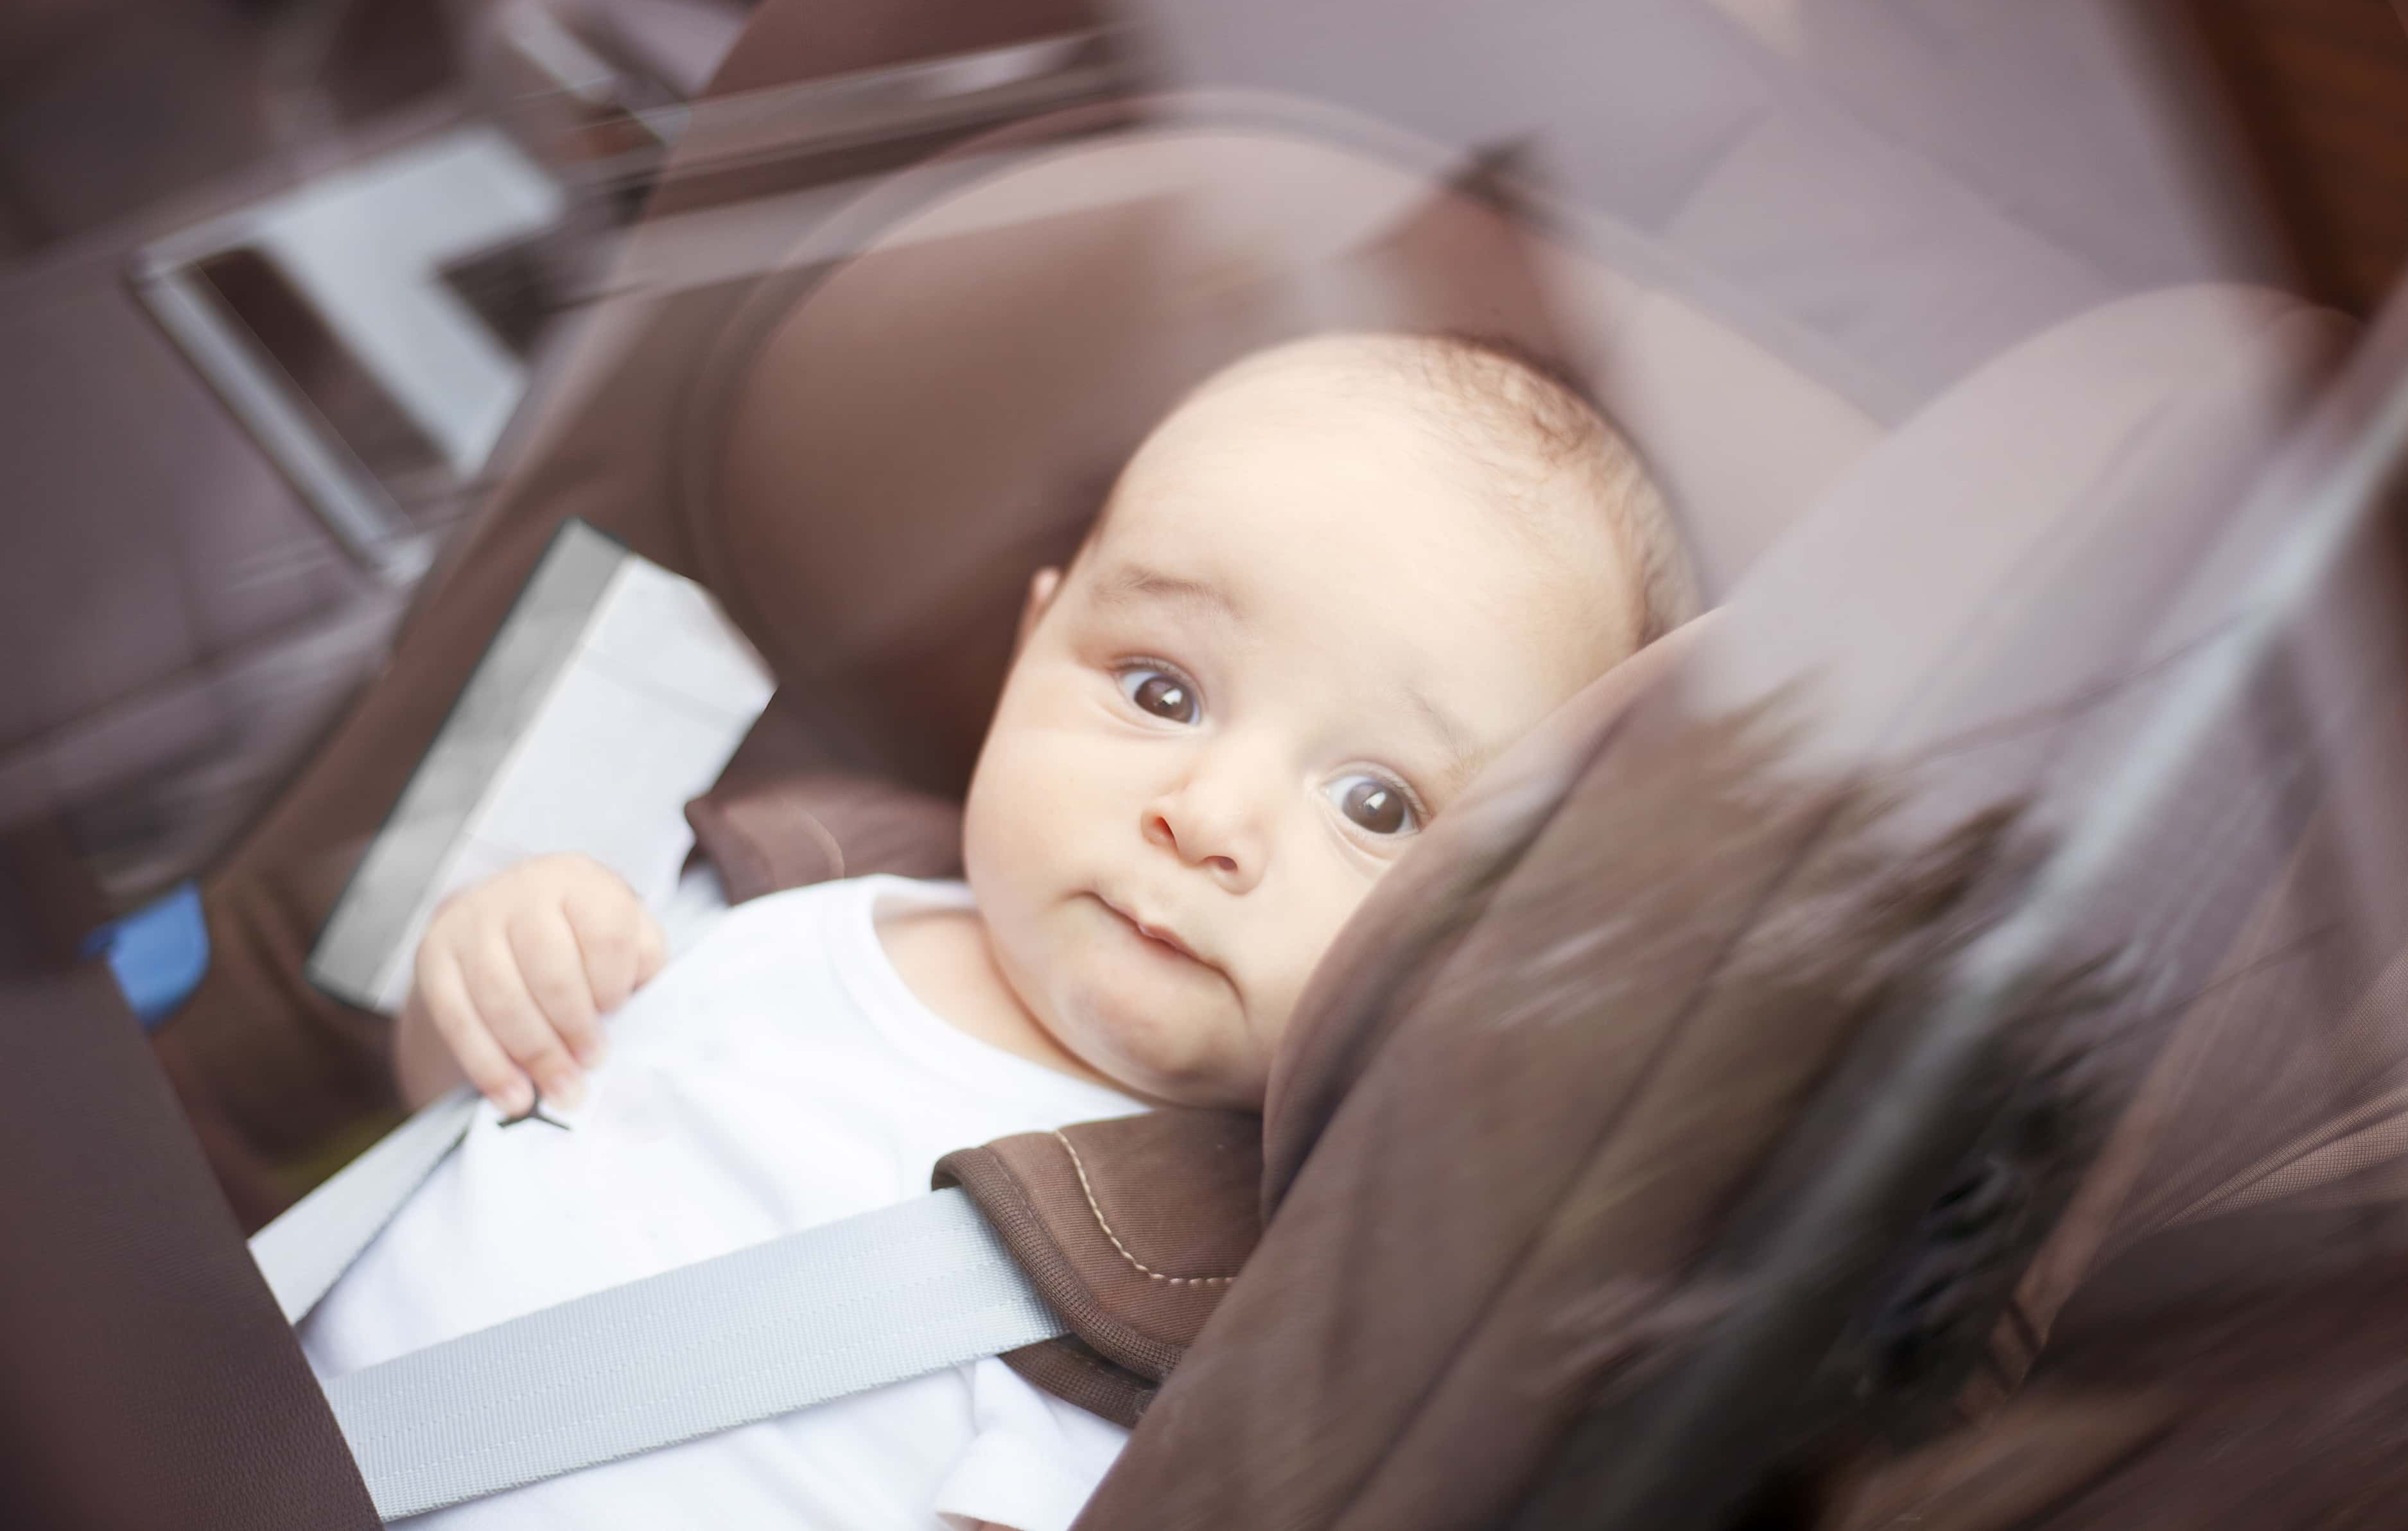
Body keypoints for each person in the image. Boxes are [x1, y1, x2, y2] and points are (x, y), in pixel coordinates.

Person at [306, 331, 1694, 1531]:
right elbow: (464, 1103)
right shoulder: (777, 875)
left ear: (1492, 935)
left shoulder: (1196, 1301)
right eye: (1160, 690)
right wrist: (491, 972)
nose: (1209, 814)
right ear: (1033, 645)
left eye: (1378, 803)